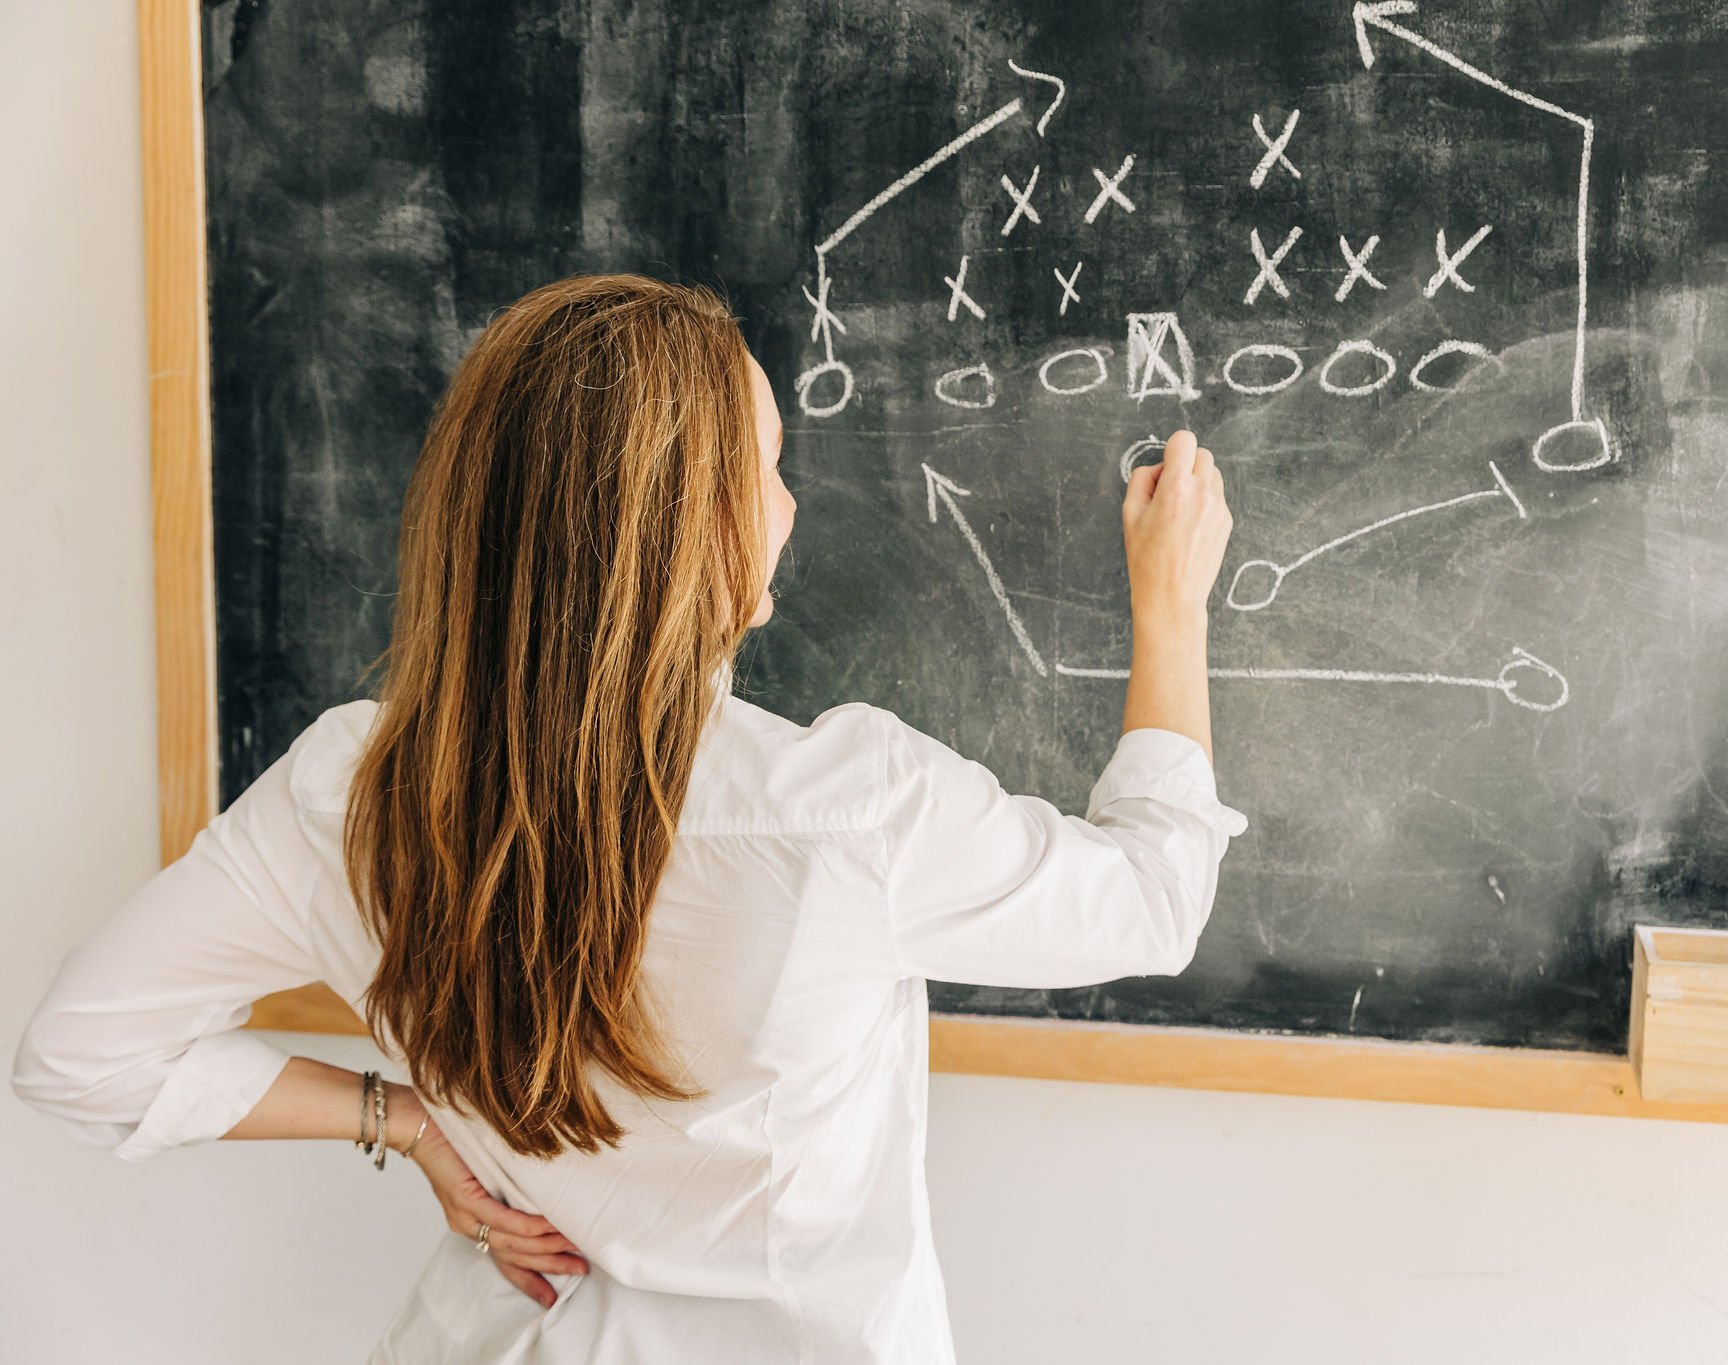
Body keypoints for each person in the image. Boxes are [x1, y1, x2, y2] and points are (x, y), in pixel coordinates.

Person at [11, 274, 1244, 1362]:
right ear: (689, 527)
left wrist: (406, 1121)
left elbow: (80, 1055)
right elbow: (1150, 901)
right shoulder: (848, 811)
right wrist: (1171, 607)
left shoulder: (348, 790)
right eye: (765, 469)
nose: (789, 508)